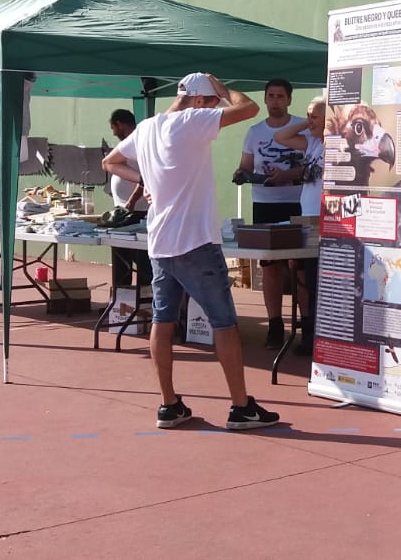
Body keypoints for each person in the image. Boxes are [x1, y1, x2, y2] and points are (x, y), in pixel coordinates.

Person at [103, 72, 280, 431]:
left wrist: (146, 181)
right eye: (212, 100)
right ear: (199, 101)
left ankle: (168, 404)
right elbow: (248, 108)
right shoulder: (192, 121)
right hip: (195, 241)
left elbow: (110, 161)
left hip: (161, 242)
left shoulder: (149, 127)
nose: (217, 106)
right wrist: (223, 87)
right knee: (224, 323)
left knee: (162, 321)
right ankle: (240, 406)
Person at [237, 78, 306, 348]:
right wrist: (241, 174)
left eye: (280, 96)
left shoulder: (304, 127)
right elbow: (245, 165)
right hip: (264, 204)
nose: (275, 101)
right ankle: (275, 325)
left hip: (298, 203)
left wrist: (287, 175)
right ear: (265, 99)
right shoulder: (254, 132)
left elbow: (314, 164)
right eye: (271, 96)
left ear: (289, 100)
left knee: (299, 267)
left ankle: (307, 325)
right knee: (270, 268)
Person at [274, 96, 326, 355]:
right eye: (307, 116)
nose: (309, 122)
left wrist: (322, 121)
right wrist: (310, 120)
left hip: (325, 223)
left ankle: (319, 338)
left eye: (314, 116)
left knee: (318, 283)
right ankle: (308, 334)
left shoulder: (337, 146)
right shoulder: (313, 143)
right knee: (304, 279)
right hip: (306, 220)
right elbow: (281, 137)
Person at [106, 108, 152, 289]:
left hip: (138, 212)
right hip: (123, 211)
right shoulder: (126, 146)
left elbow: (146, 178)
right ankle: (120, 303)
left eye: (113, 128)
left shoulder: (140, 144)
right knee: (120, 259)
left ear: (120, 124)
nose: (113, 132)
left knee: (142, 260)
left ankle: (145, 303)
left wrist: (131, 201)